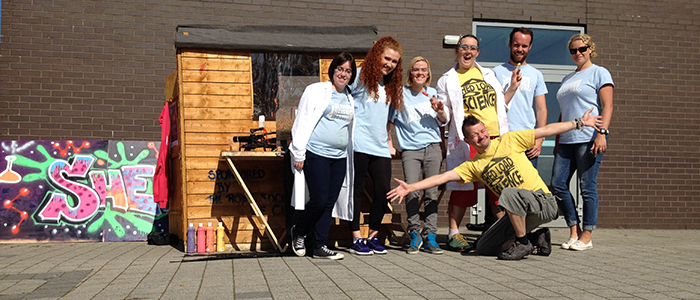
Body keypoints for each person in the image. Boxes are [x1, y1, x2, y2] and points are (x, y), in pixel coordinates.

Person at [388, 109, 603, 260]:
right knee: (484, 246)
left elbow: (546, 130)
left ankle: (523, 243)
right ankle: (537, 237)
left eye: (482, 131)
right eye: (475, 135)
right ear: (468, 140)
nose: (481, 136)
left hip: (543, 202)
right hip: (519, 213)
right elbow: (442, 178)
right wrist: (411, 187)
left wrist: (579, 122)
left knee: (507, 194)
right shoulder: (473, 165)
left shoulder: (510, 140)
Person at [436, 34, 520, 250]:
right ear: (457, 50)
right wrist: (439, 111)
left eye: (472, 48)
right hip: (471, 141)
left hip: (495, 139)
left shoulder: (488, 75)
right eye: (464, 47)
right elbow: (444, 115)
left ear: (478, 52)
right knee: (465, 184)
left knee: (499, 187)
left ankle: (504, 234)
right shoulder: (447, 79)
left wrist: (511, 88)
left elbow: (500, 105)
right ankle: (454, 233)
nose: (468, 51)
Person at [289, 52, 357, 260]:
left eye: (347, 71)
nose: (343, 74)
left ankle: (320, 245)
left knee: (329, 202)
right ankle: (299, 231)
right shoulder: (317, 90)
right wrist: (299, 152)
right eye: (340, 68)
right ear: (333, 69)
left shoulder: (349, 97)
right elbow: (302, 120)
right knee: (318, 201)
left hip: (339, 157)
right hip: (316, 153)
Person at [553, 33, 614, 251]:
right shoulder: (567, 78)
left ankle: (587, 235)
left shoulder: (599, 72)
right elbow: (564, 112)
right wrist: (558, 140)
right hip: (567, 140)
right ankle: (573, 230)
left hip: (589, 138)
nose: (577, 53)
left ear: (590, 49)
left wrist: (602, 133)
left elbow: (607, 106)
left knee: (587, 187)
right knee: (557, 184)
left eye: (582, 49)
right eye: (573, 50)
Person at [348, 36, 404, 256]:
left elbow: (387, 119)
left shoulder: (390, 85)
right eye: (387, 58)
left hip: (380, 146)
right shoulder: (361, 76)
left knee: (382, 191)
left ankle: (372, 236)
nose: (389, 64)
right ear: (376, 55)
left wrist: (390, 143)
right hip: (358, 143)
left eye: (394, 62)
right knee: (357, 191)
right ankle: (355, 238)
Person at [390, 56, 447, 254]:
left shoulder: (433, 93)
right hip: (410, 150)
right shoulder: (399, 94)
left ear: (428, 73)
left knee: (431, 192)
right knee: (411, 191)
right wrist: (390, 144)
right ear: (410, 73)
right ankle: (414, 233)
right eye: (416, 69)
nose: (420, 73)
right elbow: (387, 120)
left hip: (432, 147)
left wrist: (439, 111)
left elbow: (443, 119)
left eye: (424, 69)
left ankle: (430, 235)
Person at [492, 27, 548, 168]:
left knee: (526, 188)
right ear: (510, 44)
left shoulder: (536, 74)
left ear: (530, 47)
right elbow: (491, 107)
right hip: (502, 137)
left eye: (524, 46)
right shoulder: (495, 73)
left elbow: (541, 109)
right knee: (501, 187)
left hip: (527, 139)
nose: (520, 49)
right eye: (516, 45)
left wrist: (540, 139)